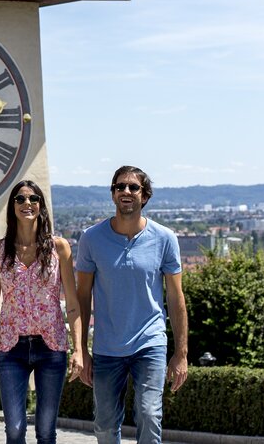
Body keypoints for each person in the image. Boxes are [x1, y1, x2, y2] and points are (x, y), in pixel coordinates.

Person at [75, 166, 188, 444]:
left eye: (133, 187)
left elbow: (176, 298)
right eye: (120, 187)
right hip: (106, 346)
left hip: (150, 343)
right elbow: (82, 297)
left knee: (149, 414)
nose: (126, 191)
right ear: (113, 195)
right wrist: (81, 350)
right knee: (103, 423)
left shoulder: (165, 239)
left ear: (145, 196)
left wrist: (181, 353)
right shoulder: (91, 238)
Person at [0, 180, 84, 444]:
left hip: (52, 347)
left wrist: (79, 349)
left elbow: (71, 302)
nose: (28, 204)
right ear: (12, 206)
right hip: (11, 348)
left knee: (46, 432)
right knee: (14, 430)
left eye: (34, 199)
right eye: (21, 199)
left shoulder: (60, 248)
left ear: (41, 207)